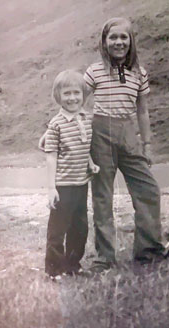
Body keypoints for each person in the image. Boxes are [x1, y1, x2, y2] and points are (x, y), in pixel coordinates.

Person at [84, 17, 165, 271]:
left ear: (131, 42)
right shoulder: (94, 71)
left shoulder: (138, 74)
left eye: (123, 38)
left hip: (129, 135)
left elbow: (142, 112)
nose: (118, 42)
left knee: (148, 190)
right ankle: (104, 258)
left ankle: (149, 251)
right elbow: (77, 101)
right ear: (104, 42)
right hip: (101, 135)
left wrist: (147, 143)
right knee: (103, 197)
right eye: (113, 37)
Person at [43, 69, 99, 279]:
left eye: (76, 93)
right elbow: (51, 156)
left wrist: (91, 164)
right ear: (58, 96)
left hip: (81, 184)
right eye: (67, 94)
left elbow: (83, 148)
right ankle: (54, 270)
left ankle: (72, 265)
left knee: (79, 227)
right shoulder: (56, 124)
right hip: (63, 186)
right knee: (58, 230)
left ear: (83, 95)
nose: (72, 98)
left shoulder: (86, 118)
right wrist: (51, 188)